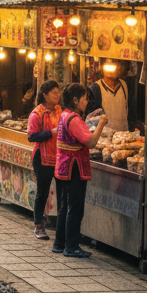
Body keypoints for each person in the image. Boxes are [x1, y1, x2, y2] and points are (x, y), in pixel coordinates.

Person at [53, 83, 111, 258]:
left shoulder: (65, 115)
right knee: (75, 208)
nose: (87, 102)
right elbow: (91, 142)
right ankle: (71, 247)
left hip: (63, 166)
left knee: (64, 207)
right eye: (85, 98)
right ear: (75, 100)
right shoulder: (73, 119)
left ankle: (60, 243)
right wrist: (101, 123)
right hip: (74, 168)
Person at [27, 79, 61, 240]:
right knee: (42, 192)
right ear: (45, 95)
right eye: (54, 92)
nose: (57, 95)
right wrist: (51, 132)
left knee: (61, 192)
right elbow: (31, 136)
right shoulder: (37, 114)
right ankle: (39, 225)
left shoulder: (59, 109)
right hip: (42, 158)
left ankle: (60, 225)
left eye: (58, 92)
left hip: (59, 156)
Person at [85, 59, 137, 132]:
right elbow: (90, 119)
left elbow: (131, 111)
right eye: (108, 67)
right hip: (104, 135)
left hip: (123, 133)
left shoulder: (124, 85)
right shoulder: (95, 88)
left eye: (114, 67)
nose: (111, 70)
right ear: (102, 68)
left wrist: (133, 129)